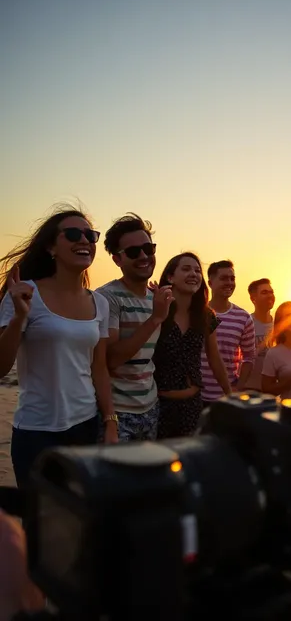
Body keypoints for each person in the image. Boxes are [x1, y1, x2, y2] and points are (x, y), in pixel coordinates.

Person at [0, 206, 118, 489]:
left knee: (78, 518)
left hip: (85, 425)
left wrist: (110, 421)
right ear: (51, 247)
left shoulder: (99, 303)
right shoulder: (25, 293)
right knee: (39, 520)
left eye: (90, 235)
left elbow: (98, 368)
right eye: (73, 234)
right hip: (36, 430)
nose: (85, 241)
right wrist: (18, 317)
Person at [96, 214, 173, 442]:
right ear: (117, 260)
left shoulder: (155, 298)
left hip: (150, 408)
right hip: (118, 412)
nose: (143, 256)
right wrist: (155, 319)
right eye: (132, 252)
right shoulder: (107, 298)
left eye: (148, 248)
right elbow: (110, 360)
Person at [153, 252, 231, 438]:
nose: (194, 274)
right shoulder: (157, 310)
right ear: (170, 277)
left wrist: (230, 394)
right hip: (157, 405)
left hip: (193, 405)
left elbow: (214, 358)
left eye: (197, 271)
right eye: (186, 269)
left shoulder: (205, 315)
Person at [200, 260, 256, 406]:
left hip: (226, 397)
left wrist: (238, 388)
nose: (229, 283)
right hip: (195, 395)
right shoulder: (197, 314)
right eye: (224, 278)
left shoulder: (243, 318)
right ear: (210, 283)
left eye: (232, 279)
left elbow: (249, 358)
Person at [244, 278, 275, 391]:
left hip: (271, 390)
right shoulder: (246, 323)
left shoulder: (279, 325)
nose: (269, 295)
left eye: (271, 292)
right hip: (247, 388)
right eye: (264, 292)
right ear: (253, 299)